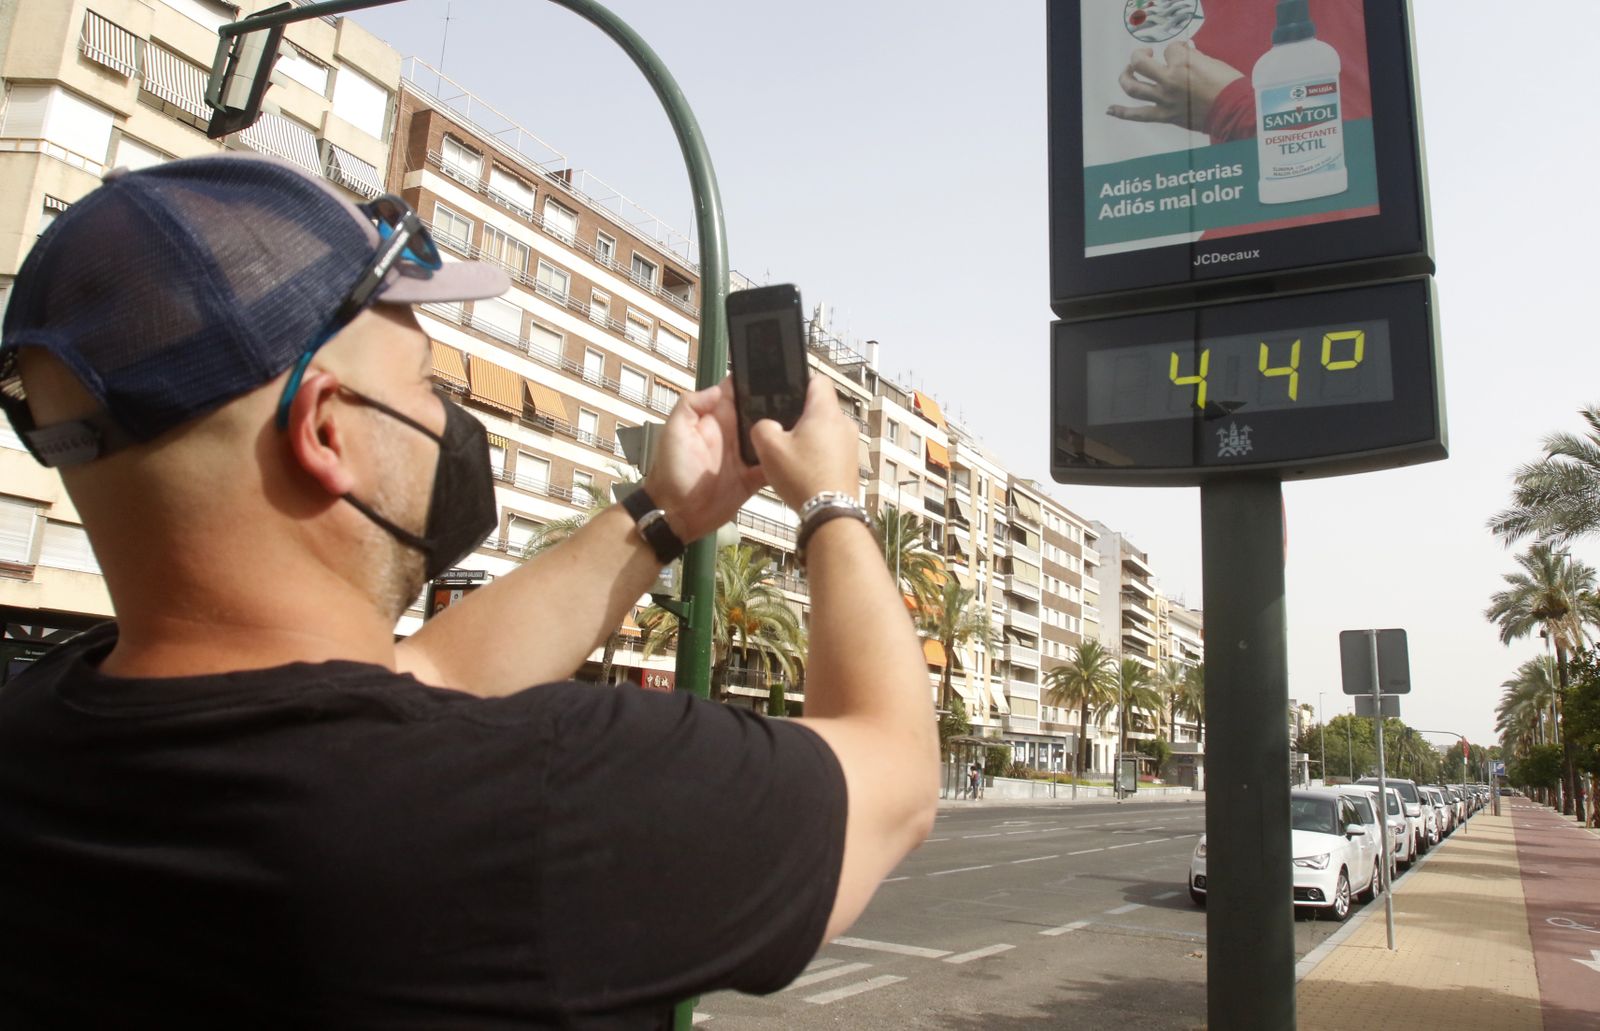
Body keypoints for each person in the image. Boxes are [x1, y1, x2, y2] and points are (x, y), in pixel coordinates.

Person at [0, 154, 939, 1028]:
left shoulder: (39, 738)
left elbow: (431, 672)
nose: (447, 413)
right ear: (326, 430)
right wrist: (828, 502)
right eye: (426, 381)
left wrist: (662, 512)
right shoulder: (543, 802)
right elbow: (894, 778)